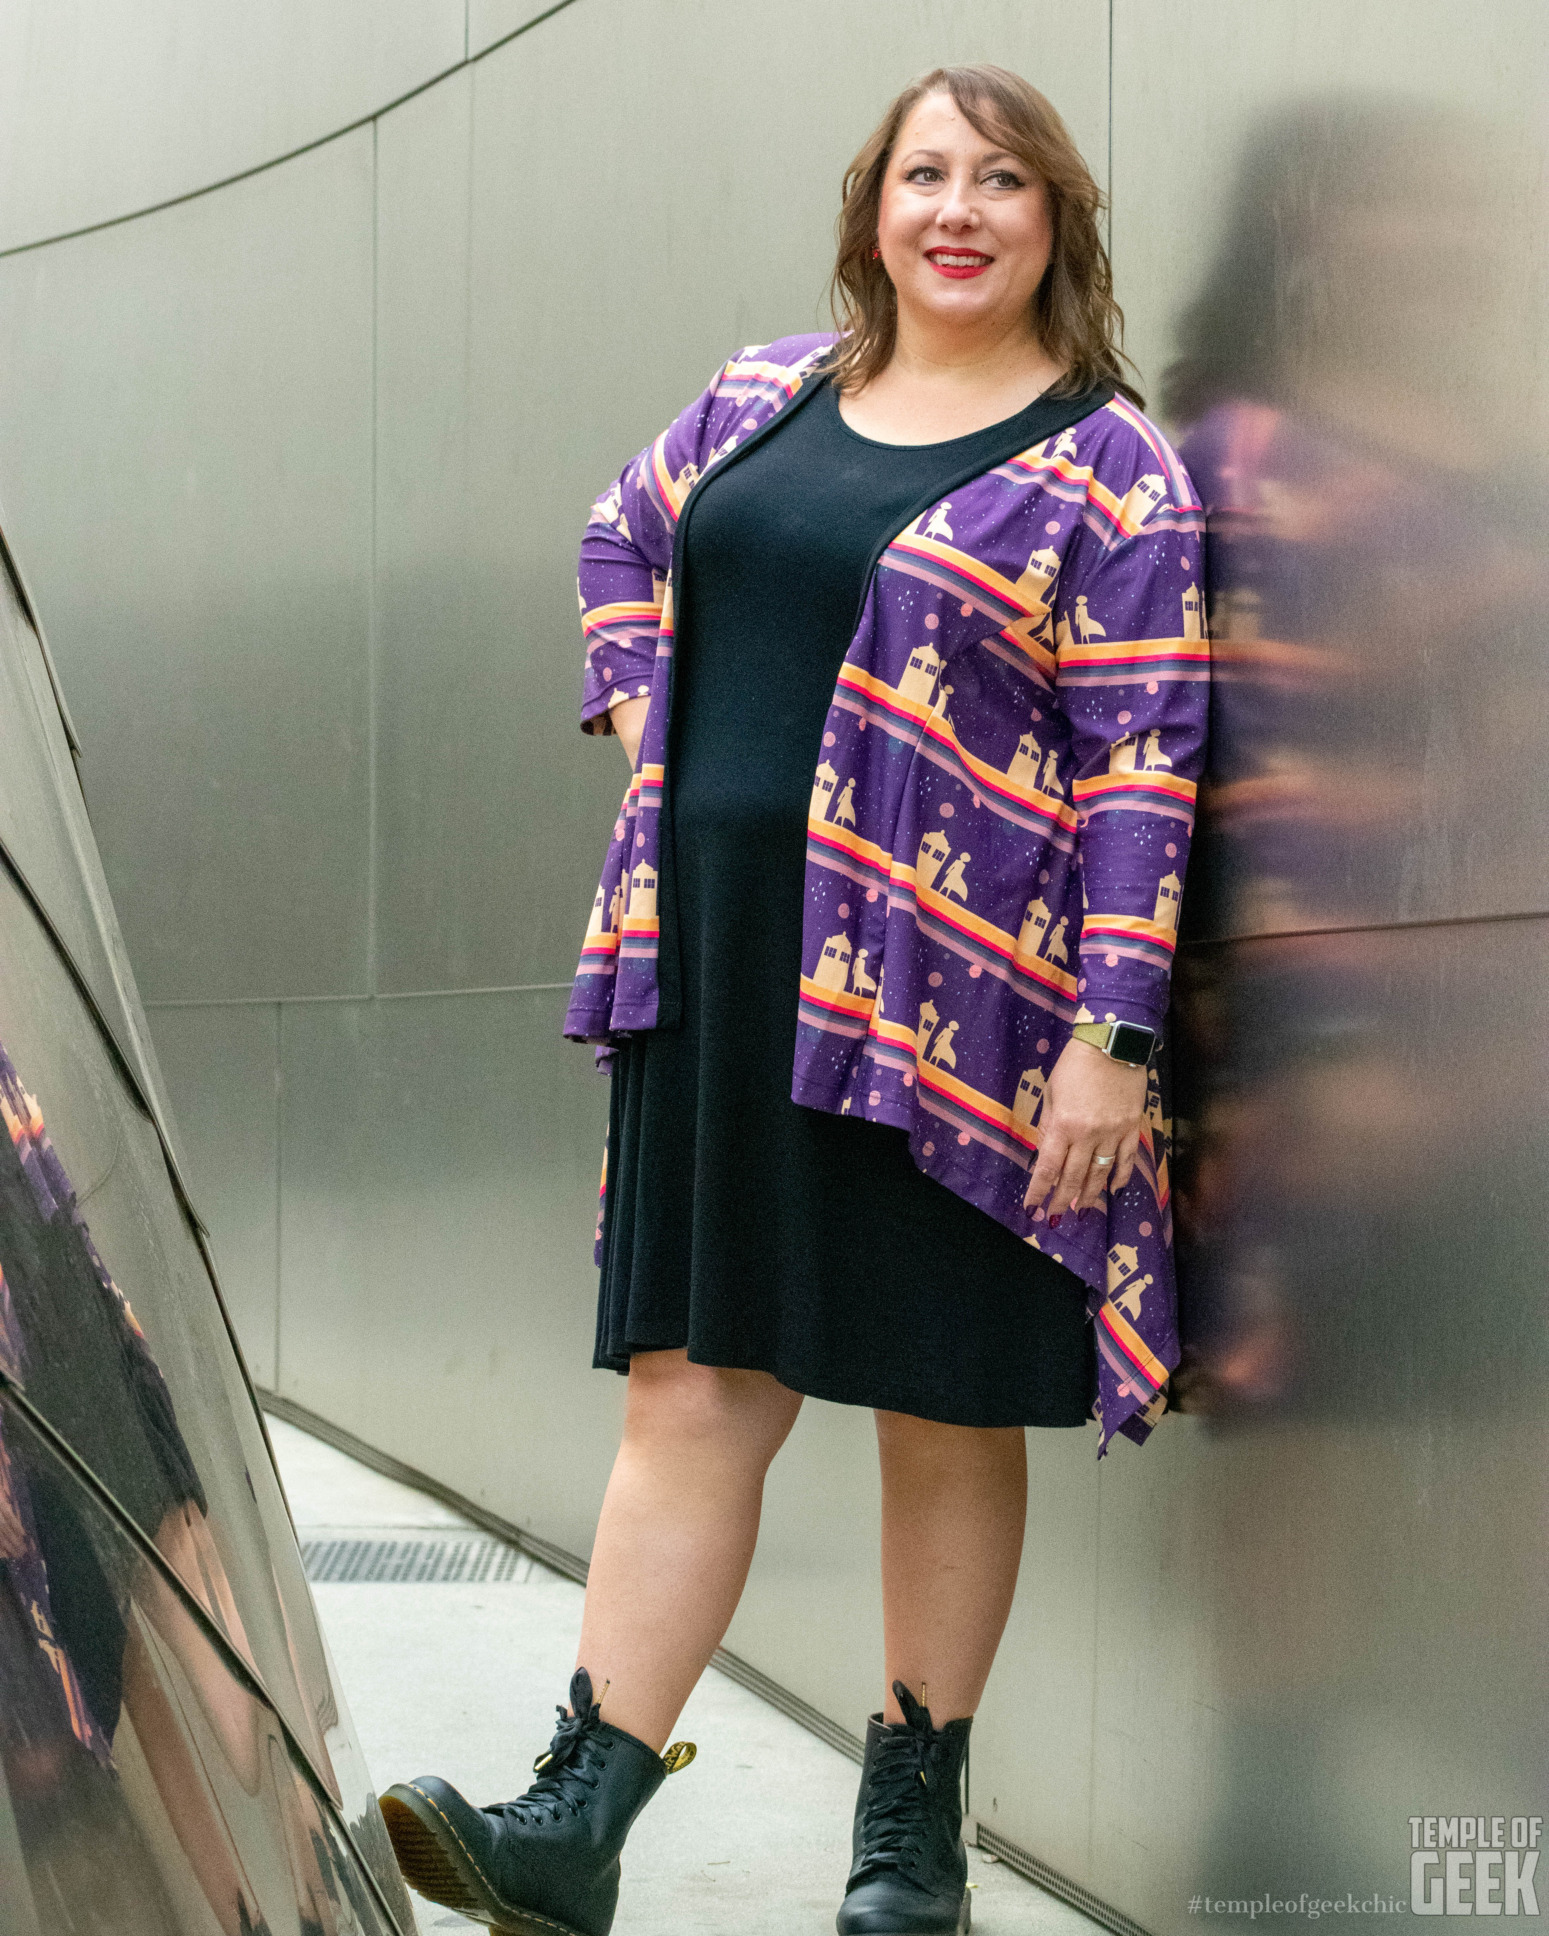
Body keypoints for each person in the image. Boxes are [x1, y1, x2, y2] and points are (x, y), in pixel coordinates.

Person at [381, 63, 1207, 1936]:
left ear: (1055, 221)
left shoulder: (1107, 467)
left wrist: (1113, 1034)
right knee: (688, 1388)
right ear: (873, 209)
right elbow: (617, 540)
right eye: (925, 174)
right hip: (725, 970)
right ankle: (574, 1819)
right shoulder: (765, 400)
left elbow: (1148, 756)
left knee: (938, 1407)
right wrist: (640, 738)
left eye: (1003, 180)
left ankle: (909, 1853)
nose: (960, 209)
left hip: (961, 1011)